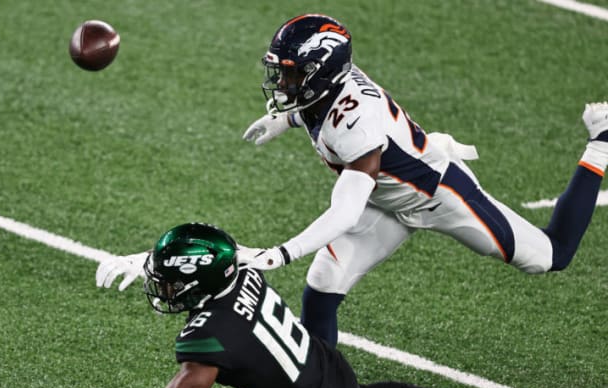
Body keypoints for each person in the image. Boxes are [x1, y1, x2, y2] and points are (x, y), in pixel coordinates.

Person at [240, 13, 608, 346]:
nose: (283, 82)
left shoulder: (357, 123)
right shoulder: (330, 87)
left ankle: (601, 142)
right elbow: (320, 107)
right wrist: (287, 119)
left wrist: (281, 253)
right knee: (323, 284)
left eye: (292, 72)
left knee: (551, 256)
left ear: (322, 71)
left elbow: (345, 212)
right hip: (386, 199)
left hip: (438, 195)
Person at [96, 222, 506, 388]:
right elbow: (216, 250)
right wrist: (149, 258)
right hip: (325, 367)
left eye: (169, 282)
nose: (164, 289)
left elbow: (190, 386)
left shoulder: (210, 332)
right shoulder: (242, 272)